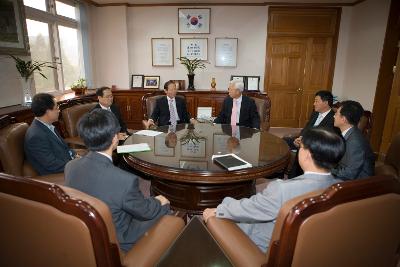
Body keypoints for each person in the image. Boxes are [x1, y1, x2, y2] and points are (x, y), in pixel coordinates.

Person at [203, 128, 345, 252]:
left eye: (301, 146)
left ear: (307, 155)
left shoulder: (282, 189)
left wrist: (218, 210)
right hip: (308, 245)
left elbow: (251, 209)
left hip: (264, 244)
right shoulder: (341, 187)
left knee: (223, 207)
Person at [65, 109, 170, 252]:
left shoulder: (70, 167)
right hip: (119, 238)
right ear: (115, 138)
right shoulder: (125, 180)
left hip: (87, 230)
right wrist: (159, 201)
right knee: (164, 206)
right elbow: (145, 211)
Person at [286, 90, 339, 178]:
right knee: (284, 141)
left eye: (316, 101)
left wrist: (304, 141)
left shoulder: (333, 118)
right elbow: (306, 128)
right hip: (305, 139)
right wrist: (300, 138)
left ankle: (295, 176)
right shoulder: (315, 113)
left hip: (317, 145)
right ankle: (281, 173)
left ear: (325, 103)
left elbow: (324, 137)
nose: (314, 104)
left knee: (302, 149)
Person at [24, 93, 77, 175]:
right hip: (57, 175)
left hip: (66, 163)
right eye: (56, 108)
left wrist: (74, 155)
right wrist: (76, 165)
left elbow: (64, 147)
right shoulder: (36, 136)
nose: (59, 111)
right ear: (47, 111)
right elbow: (52, 165)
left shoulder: (48, 126)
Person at [332, 100, 375, 180]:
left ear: (343, 119)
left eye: (336, 113)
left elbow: (350, 174)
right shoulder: (350, 133)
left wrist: (327, 171)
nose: (334, 116)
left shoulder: (355, 141)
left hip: (358, 184)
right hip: (345, 174)